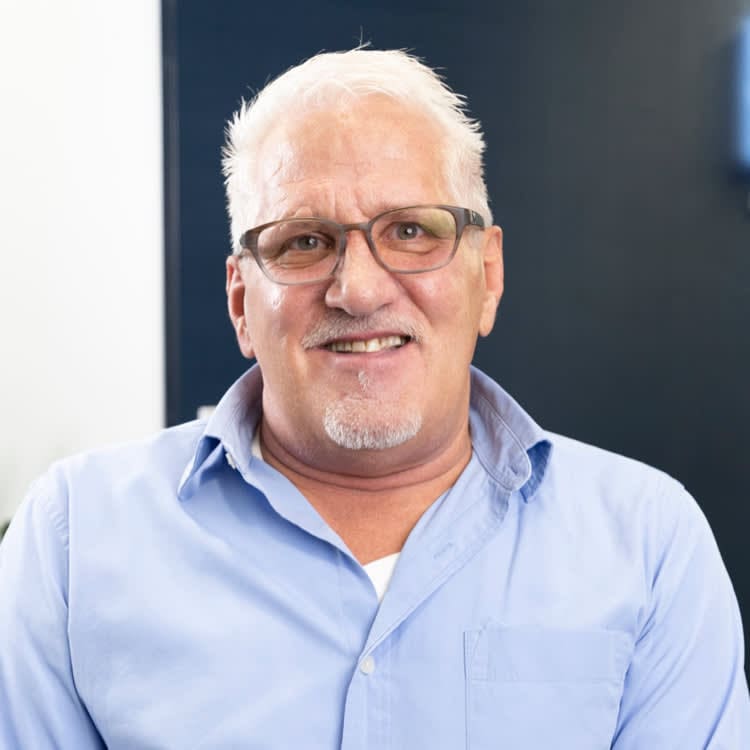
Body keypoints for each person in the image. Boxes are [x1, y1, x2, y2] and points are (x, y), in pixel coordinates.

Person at [0, 48, 748, 749]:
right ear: (239, 303)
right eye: (303, 241)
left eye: (412, 231)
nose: (357, 290)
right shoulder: (73, 542)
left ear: (486, 276)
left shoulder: (650, 545)